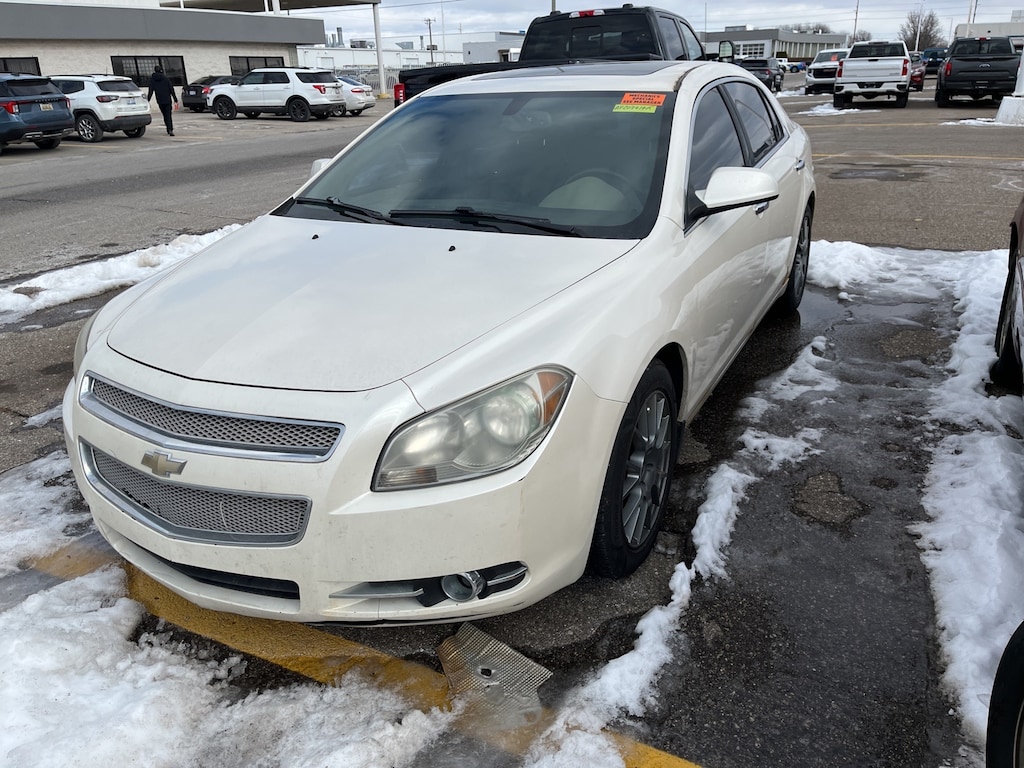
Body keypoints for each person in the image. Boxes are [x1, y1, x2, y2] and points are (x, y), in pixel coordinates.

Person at [147, 65, 178, 136]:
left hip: (160, 100)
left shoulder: (152, 79)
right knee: (168, 115)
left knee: (164, 115)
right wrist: (175, 99)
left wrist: (147, 100)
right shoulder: (166, 78)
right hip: (167, 99)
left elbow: (151, 91)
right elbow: (171, 89)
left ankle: (168, 127)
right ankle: (170, 129)